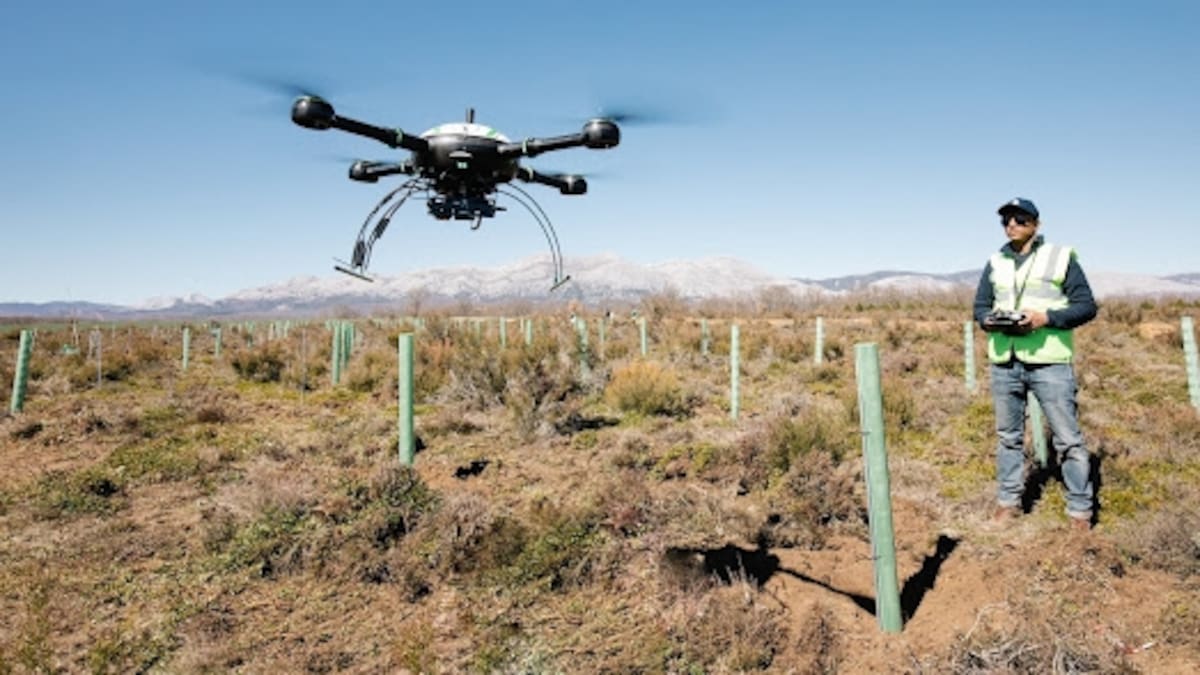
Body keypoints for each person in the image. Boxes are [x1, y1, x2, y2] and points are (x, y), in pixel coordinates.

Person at [973, 197, 1098, 530]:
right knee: (1007, 437)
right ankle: (1008, 502)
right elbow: (980, 306)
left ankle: (1079, 511)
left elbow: (1086, 306)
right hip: (1005, 360)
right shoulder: (995, 261)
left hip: (1049, 362)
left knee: (1067, 439)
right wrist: (990, 320)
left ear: (1036, 224)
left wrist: (1046, 318)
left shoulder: (1059, 257)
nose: (1012, 224)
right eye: (1006, 220)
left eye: (1020, 218)